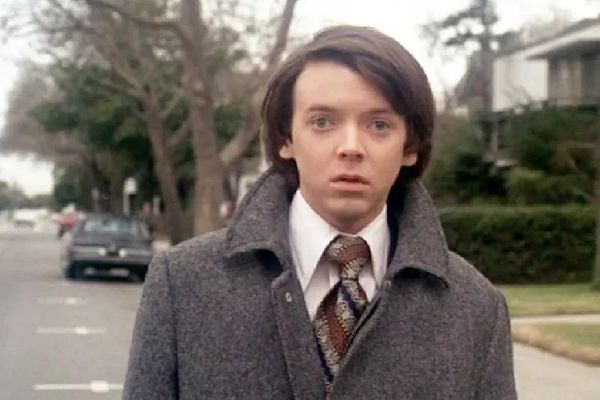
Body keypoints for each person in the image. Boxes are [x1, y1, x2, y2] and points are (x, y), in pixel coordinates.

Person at [123, 25, 516, 399]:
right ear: (286, 139)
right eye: (323, 122)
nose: (351, 147)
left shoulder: (478, 309)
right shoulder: (182, 284)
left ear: (410, 147)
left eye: (379, 125)